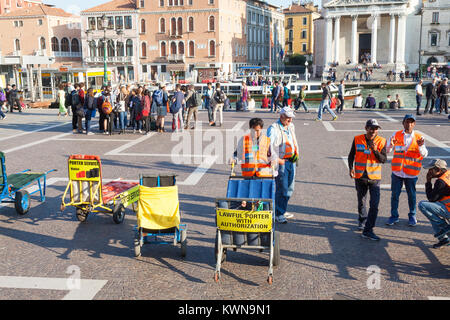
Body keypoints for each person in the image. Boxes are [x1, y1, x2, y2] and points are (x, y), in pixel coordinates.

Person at [386, 114, 428, 227]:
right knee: (395, 195)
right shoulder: (396, 135)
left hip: (411, 173)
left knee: (412, 195)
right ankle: (394, 216)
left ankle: (412, 216)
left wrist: (420, 146)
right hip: (397, 171)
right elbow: (386, 150)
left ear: (414, 124)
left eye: (411, 122)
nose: (409, 124)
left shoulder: (419, 137)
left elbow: (424, 154)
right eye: (407, 122)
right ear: (403, 123)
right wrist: (390, 144)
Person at [348, 119, 387, 240]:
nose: (374, 131)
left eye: (376, 129)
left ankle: (369, 229)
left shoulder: (381, 141)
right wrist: (350, 168)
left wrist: (375, 150)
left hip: (375, 178)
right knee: (361, 202)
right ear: (366, 128)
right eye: (371, 128)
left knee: (374, 205)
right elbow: (351, 155)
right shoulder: (357, 139)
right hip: (360, 176)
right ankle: (362, 221)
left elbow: (383, 160)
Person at [267, 107, 299, 224]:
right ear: (281, 116)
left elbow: (293, 141)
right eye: (288, 117)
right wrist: (277, 160)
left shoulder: (291, 126)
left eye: (291, 117)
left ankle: (282, 209)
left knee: (290, 188)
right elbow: (269, 147)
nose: (290, 119)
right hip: (281, 162)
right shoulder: (273, 128)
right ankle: (278, 213)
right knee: (282, 189)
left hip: (292, 161)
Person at [418, 159, 450, 249]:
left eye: (431, 169)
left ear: (438, 170)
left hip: (449, 209)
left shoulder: (441, 182)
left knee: (422, 205)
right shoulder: (448, 174)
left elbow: (431, 199)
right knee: (432, 215)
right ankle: (443, 239)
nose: (429, 172)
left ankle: (445, 227)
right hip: (447, 206)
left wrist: (428, 182)